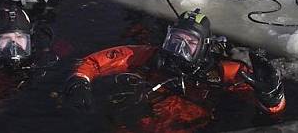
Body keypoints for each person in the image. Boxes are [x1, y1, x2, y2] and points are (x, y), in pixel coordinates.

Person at [63, 9, 285, 132]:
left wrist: (272, 98)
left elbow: (266, 108)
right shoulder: (154, 56)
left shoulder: (224, 70)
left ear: (205, 46)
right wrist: (80, 79)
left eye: (189, 42)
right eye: (175, 39)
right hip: (147, 118)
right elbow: (102, 60)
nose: (179, 48)